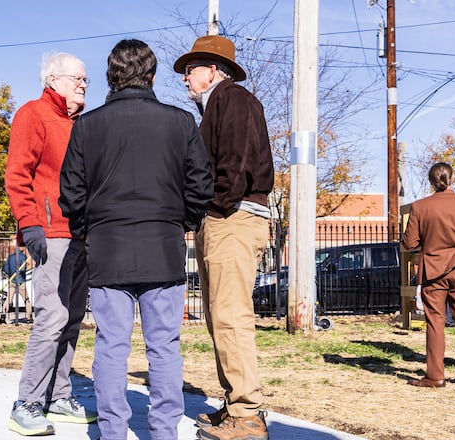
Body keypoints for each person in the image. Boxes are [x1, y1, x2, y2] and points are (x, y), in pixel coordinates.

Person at [60, 39, 213, 440]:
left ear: (111, 76)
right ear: (153, 76)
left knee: (111, 347)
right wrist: (181, 221)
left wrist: (90, 230)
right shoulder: (180, 122)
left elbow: (71, 194)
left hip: (107, 250)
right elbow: (202, 185)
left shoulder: (87, 126)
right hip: (162, 248)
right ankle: (163, 431)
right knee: (164, 347)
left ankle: (113, 431)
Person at [174, 35, 274, 440]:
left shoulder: (232, 99)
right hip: (225, 216)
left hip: (233, 217)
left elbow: (236, 162)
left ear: (212, 70)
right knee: (220, 316)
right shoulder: (220, 103)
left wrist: (212, 207)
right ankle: (236, 405)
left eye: (190, 70)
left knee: (230, 316)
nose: (185, 78)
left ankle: (247, 415)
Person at [4, 51, 94, 436]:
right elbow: (17, 175)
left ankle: (58, 396)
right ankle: (27, 402)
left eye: (85, 79)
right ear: (53, 80)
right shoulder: (33, 114)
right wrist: (30, 224)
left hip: (80, 235)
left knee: (72, 319)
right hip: (50, 234)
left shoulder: (80, 124)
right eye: (77, 78)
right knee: (52, 319)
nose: (83, 84)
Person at [402, 162, 455, 388]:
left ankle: (435, 376)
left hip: (433, 270)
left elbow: (409, 243)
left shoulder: (420, 207)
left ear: (431, 181)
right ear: (452, 179)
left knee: (435, 322)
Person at [3, 247, 30, 322]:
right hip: (21, 281)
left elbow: (5, 268)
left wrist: (11, 274)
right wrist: (26, 267)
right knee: (26, 300)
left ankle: (3, 316)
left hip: (12, 280)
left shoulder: (10, 257)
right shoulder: (23, 257)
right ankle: (29, 317)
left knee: (8, 299)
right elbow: (23, 269)